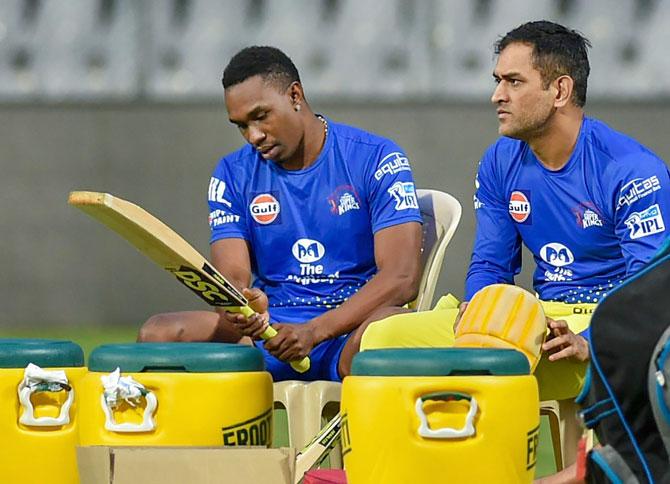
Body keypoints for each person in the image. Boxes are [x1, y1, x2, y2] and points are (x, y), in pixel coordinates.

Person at [361, 20, 670, 404]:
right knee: (381, 341)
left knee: (488, 369)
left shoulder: (632, 171)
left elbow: (651, 291)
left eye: (514, 81)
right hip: (536, 320)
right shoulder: (499, 161)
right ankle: (412, 462)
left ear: (560, 90)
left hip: (603, 328)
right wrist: (480, 309)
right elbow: (491, 265)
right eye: (497, 80)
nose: (497, 96)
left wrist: (590, 341)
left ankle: (489, 457)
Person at [138, 46, 423, 382]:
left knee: (384, 333)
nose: (254, 136)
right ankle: (215, 434)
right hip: (273, 332)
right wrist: (240, 303)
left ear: (295, 95)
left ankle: (352, 433)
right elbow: (232, 273)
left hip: (351, 326)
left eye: (261, 116)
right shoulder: (232, 173)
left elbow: (402, 278)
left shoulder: (377, 158)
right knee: (157, 334)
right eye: (241, 126)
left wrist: (315, 331)